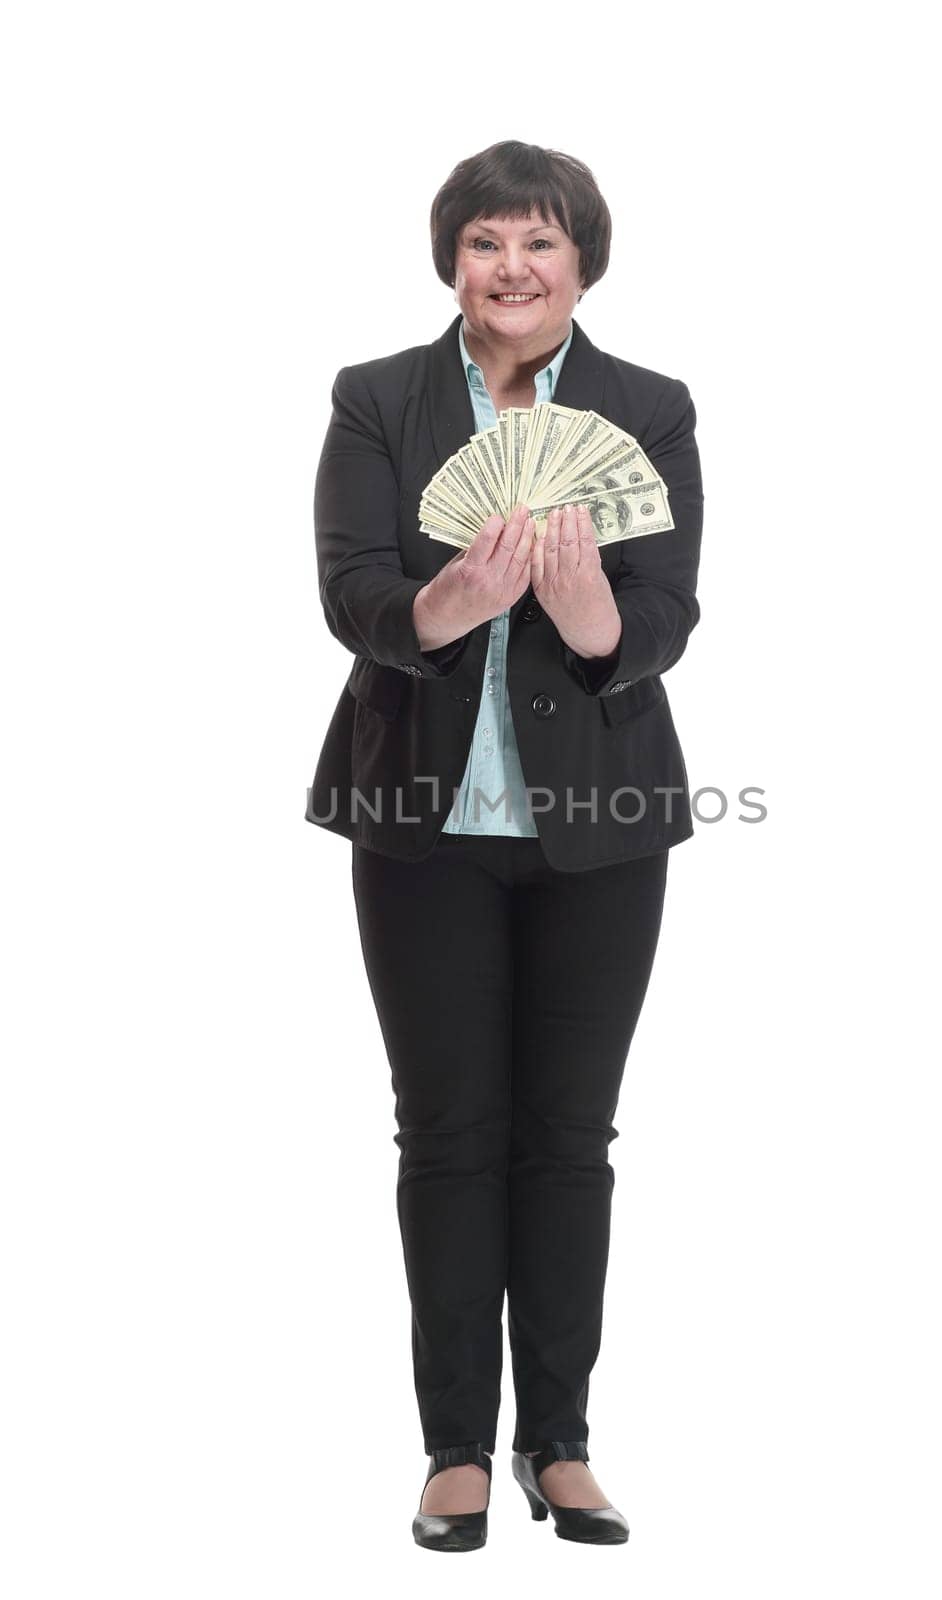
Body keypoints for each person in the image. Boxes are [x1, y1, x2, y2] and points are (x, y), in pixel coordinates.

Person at [307, 139, 704, 1551]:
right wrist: (447, 601)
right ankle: (453, 1451)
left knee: (567, 1139)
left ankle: (563, 1444)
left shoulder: (645, 408)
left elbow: (660, 620)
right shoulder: (379, 399)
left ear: (580, 260)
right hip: (419, 824)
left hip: (598, 827)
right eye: (485, 242)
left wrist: (588, 609)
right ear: (451, 260)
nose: (512, 268)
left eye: (539, 241)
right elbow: (352, 591)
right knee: (447, 1134)